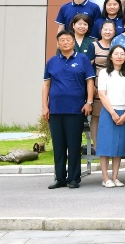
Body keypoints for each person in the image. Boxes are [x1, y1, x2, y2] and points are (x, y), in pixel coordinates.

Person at [42, 29, 95, 190]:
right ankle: (60, 178)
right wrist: (44, 106)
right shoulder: (52, 61)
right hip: (55, 110)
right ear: (58, 43)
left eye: (68, 39)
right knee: (58, 146)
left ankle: (74, 178)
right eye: (62, 40)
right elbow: (46, 84)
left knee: (73, 145)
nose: (65, 42)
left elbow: (90, 81)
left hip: (75, 109)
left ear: (73, 42)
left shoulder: (82, 59)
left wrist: (89, 102)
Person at [95, 44, 125, 187]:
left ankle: (115, 177)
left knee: (119, 147)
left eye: (122, 54)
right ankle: (105, 178)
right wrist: (113, 113)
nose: (119, 56)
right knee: (105, 146)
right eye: (116, 54)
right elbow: (102, 94)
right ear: (110, 57)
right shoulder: (104, 73)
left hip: (124, 112)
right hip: (108, 111)